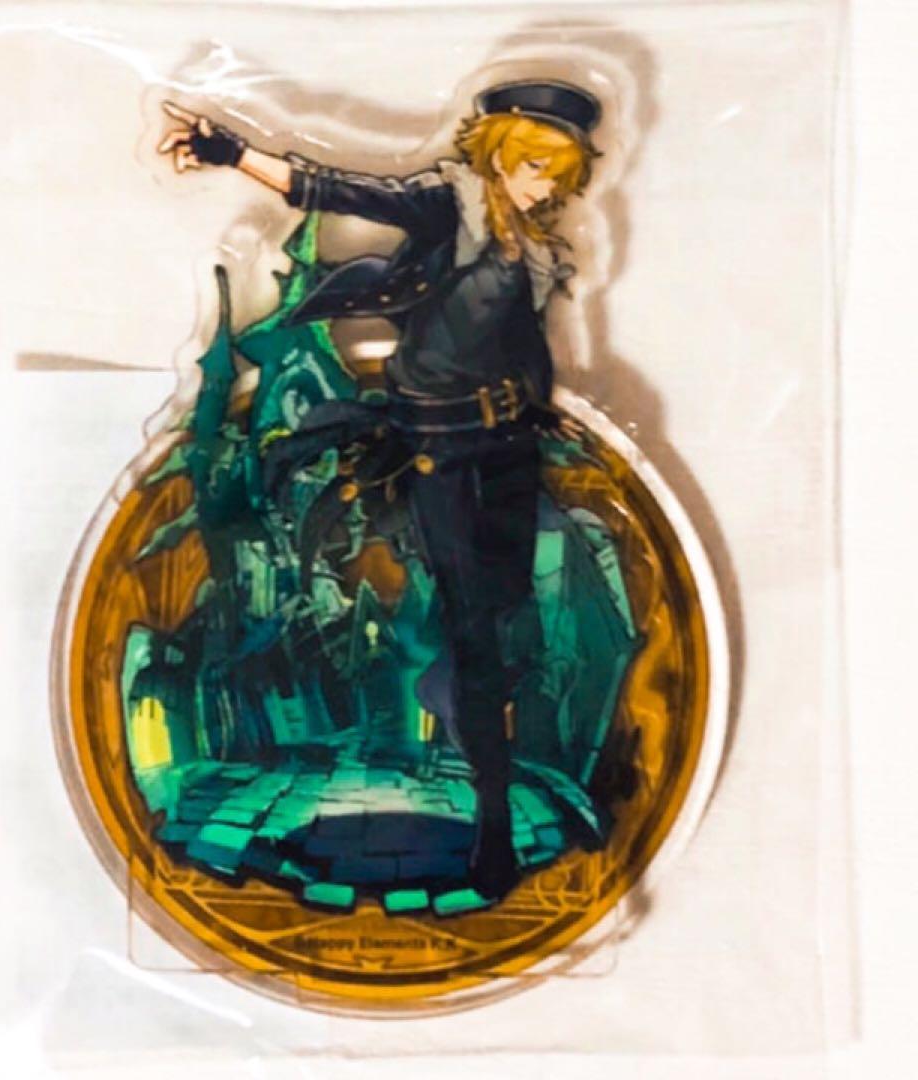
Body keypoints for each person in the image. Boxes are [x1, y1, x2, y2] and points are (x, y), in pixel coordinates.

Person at [158, 80, 601, 899]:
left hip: (509, 446)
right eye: (537, 167)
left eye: (560, 175)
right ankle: (492, 825)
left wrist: (546, 415)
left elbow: (516, 340)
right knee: (476, 631)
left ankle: (461, 703)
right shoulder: (446, 207)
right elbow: (338, 188)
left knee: (509, 622)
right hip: (442, 452)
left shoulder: (531, 245)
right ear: (500, 155)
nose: (547, 188)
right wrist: (232, 152)